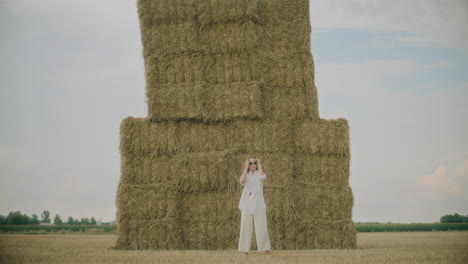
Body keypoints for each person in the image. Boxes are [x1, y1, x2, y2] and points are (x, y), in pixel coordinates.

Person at [238, 156, 272, 255]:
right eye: (250, 163)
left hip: (259, 203)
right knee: (245, 226)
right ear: (248, 165)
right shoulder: (245, 174)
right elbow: (242, 181)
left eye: (254, 163)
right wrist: (246, 167)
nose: (252, 165)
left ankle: (266, 249)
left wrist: (259, 164)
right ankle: (245, 250)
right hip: (246, 203)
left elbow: (262, 177)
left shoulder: (259, 173)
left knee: (262, 226)